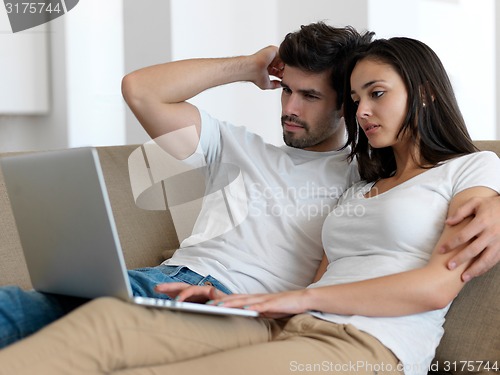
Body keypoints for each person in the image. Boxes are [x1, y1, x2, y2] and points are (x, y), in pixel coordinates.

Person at [0, 35, 498, 375]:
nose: (363, 110)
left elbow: (435, 285)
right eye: (355, 97)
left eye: (377, 94)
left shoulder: (466, 170)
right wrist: (250, 66)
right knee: (100, 324)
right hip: (273, 318)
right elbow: (324, 278)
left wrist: (499, 204)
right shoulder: (360, 188)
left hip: (355, 342)